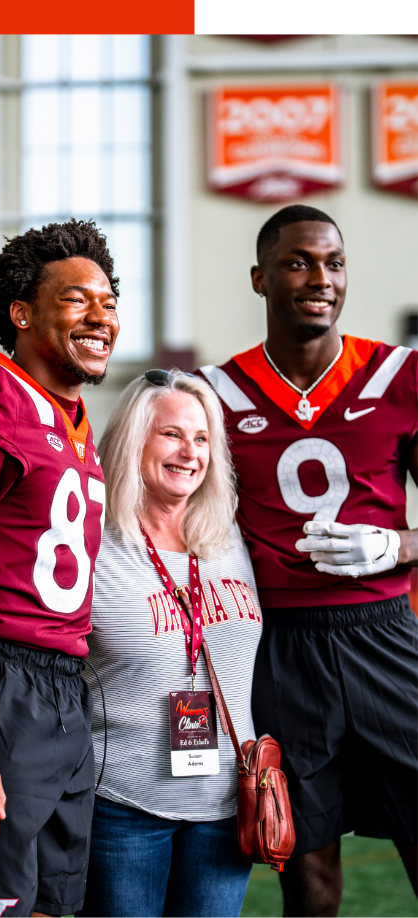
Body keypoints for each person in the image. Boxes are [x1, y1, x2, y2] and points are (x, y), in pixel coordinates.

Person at [198, 204, 418, 917]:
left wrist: (397, 545)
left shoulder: (398, 376)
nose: (320, 278)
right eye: (298, 262)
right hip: (280, 646)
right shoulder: (213, 394)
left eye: (333, 263)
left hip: (386, 635)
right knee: (309, 874)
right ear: (261, 278)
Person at [81, 369, 262, 918]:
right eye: (172, 434)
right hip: (124, 804)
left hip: (228, 804)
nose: (190, 452)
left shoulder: (226, 534)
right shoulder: (94, 538)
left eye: (202, 437)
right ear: (135, 440)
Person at [0, 219, 120, 918]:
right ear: (22, 312)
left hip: (64, 689)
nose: (101, 317)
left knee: (53, 903)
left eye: (109, 302)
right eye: (77, 300)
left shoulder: (74, 419)